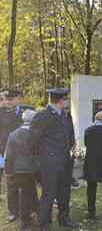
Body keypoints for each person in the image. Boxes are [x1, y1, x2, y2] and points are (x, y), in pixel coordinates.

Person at [29, 88, 79, 231]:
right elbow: (32, 141)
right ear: (60, 100)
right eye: (66, 99)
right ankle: (44, 224)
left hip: (65, 161)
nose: (68, 101)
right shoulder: (42, 116)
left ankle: (64, 219)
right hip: (49, 164)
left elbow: (70, 135)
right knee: (48, 195)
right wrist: (44, 157)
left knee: (64, 193)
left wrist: (70, 148)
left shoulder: (66, 115)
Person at [0, 89, 36, 222]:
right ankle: (13, 211)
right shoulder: (1, 112)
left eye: (11, 99)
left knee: (29, 183)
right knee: (11, 182)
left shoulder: (28, 111)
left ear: (18, 99)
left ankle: (32, 207)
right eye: (7, 99)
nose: (8, 102)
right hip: (8, 152)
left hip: (27, 154)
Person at [4, 109, 40, 231]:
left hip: (20, 169)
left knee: (25, 193)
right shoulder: (37, 133)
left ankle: (26, 221)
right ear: (34, 119)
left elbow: (9, 155)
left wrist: (8, 171)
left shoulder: (13, 134)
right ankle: (36, 217)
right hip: (36, 168)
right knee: (41, 191)